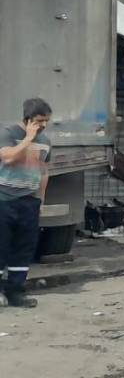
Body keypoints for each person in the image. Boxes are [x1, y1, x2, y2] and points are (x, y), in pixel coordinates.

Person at [0, 98, 53, 308]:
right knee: (1, 246)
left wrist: (41, 200)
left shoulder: (46, 141)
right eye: (39, 121)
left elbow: (44, 171)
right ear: (27, 119)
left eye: (46, 121)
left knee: (23, 249)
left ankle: (15, 292)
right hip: (4, 199)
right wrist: (28, 138)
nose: (43, 125)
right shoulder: (8, 134)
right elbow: (8, 158)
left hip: (29, 201)